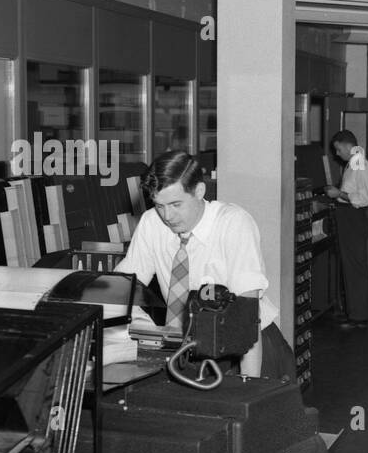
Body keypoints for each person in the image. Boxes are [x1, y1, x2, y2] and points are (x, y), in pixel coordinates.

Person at [117, 150, 276, 377]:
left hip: (247, 347)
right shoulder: (152, 223)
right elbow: (125, 286)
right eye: (159, 205)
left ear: (199, 191)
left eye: (175, 204)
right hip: (189, 347)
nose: (167, 216)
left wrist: (249, 387)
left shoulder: (233, 224)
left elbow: (248, 316)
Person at [324, 130, 368, 330]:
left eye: (338, 149)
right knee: (350, 266)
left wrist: (338, 193)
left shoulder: (359, 165)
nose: (337, 153)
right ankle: (354, 312)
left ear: (347, 146)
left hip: (353, 218)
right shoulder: (353, 164)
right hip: (348, 218)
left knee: (356, 267)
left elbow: (363, 198)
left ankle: (359, 315)